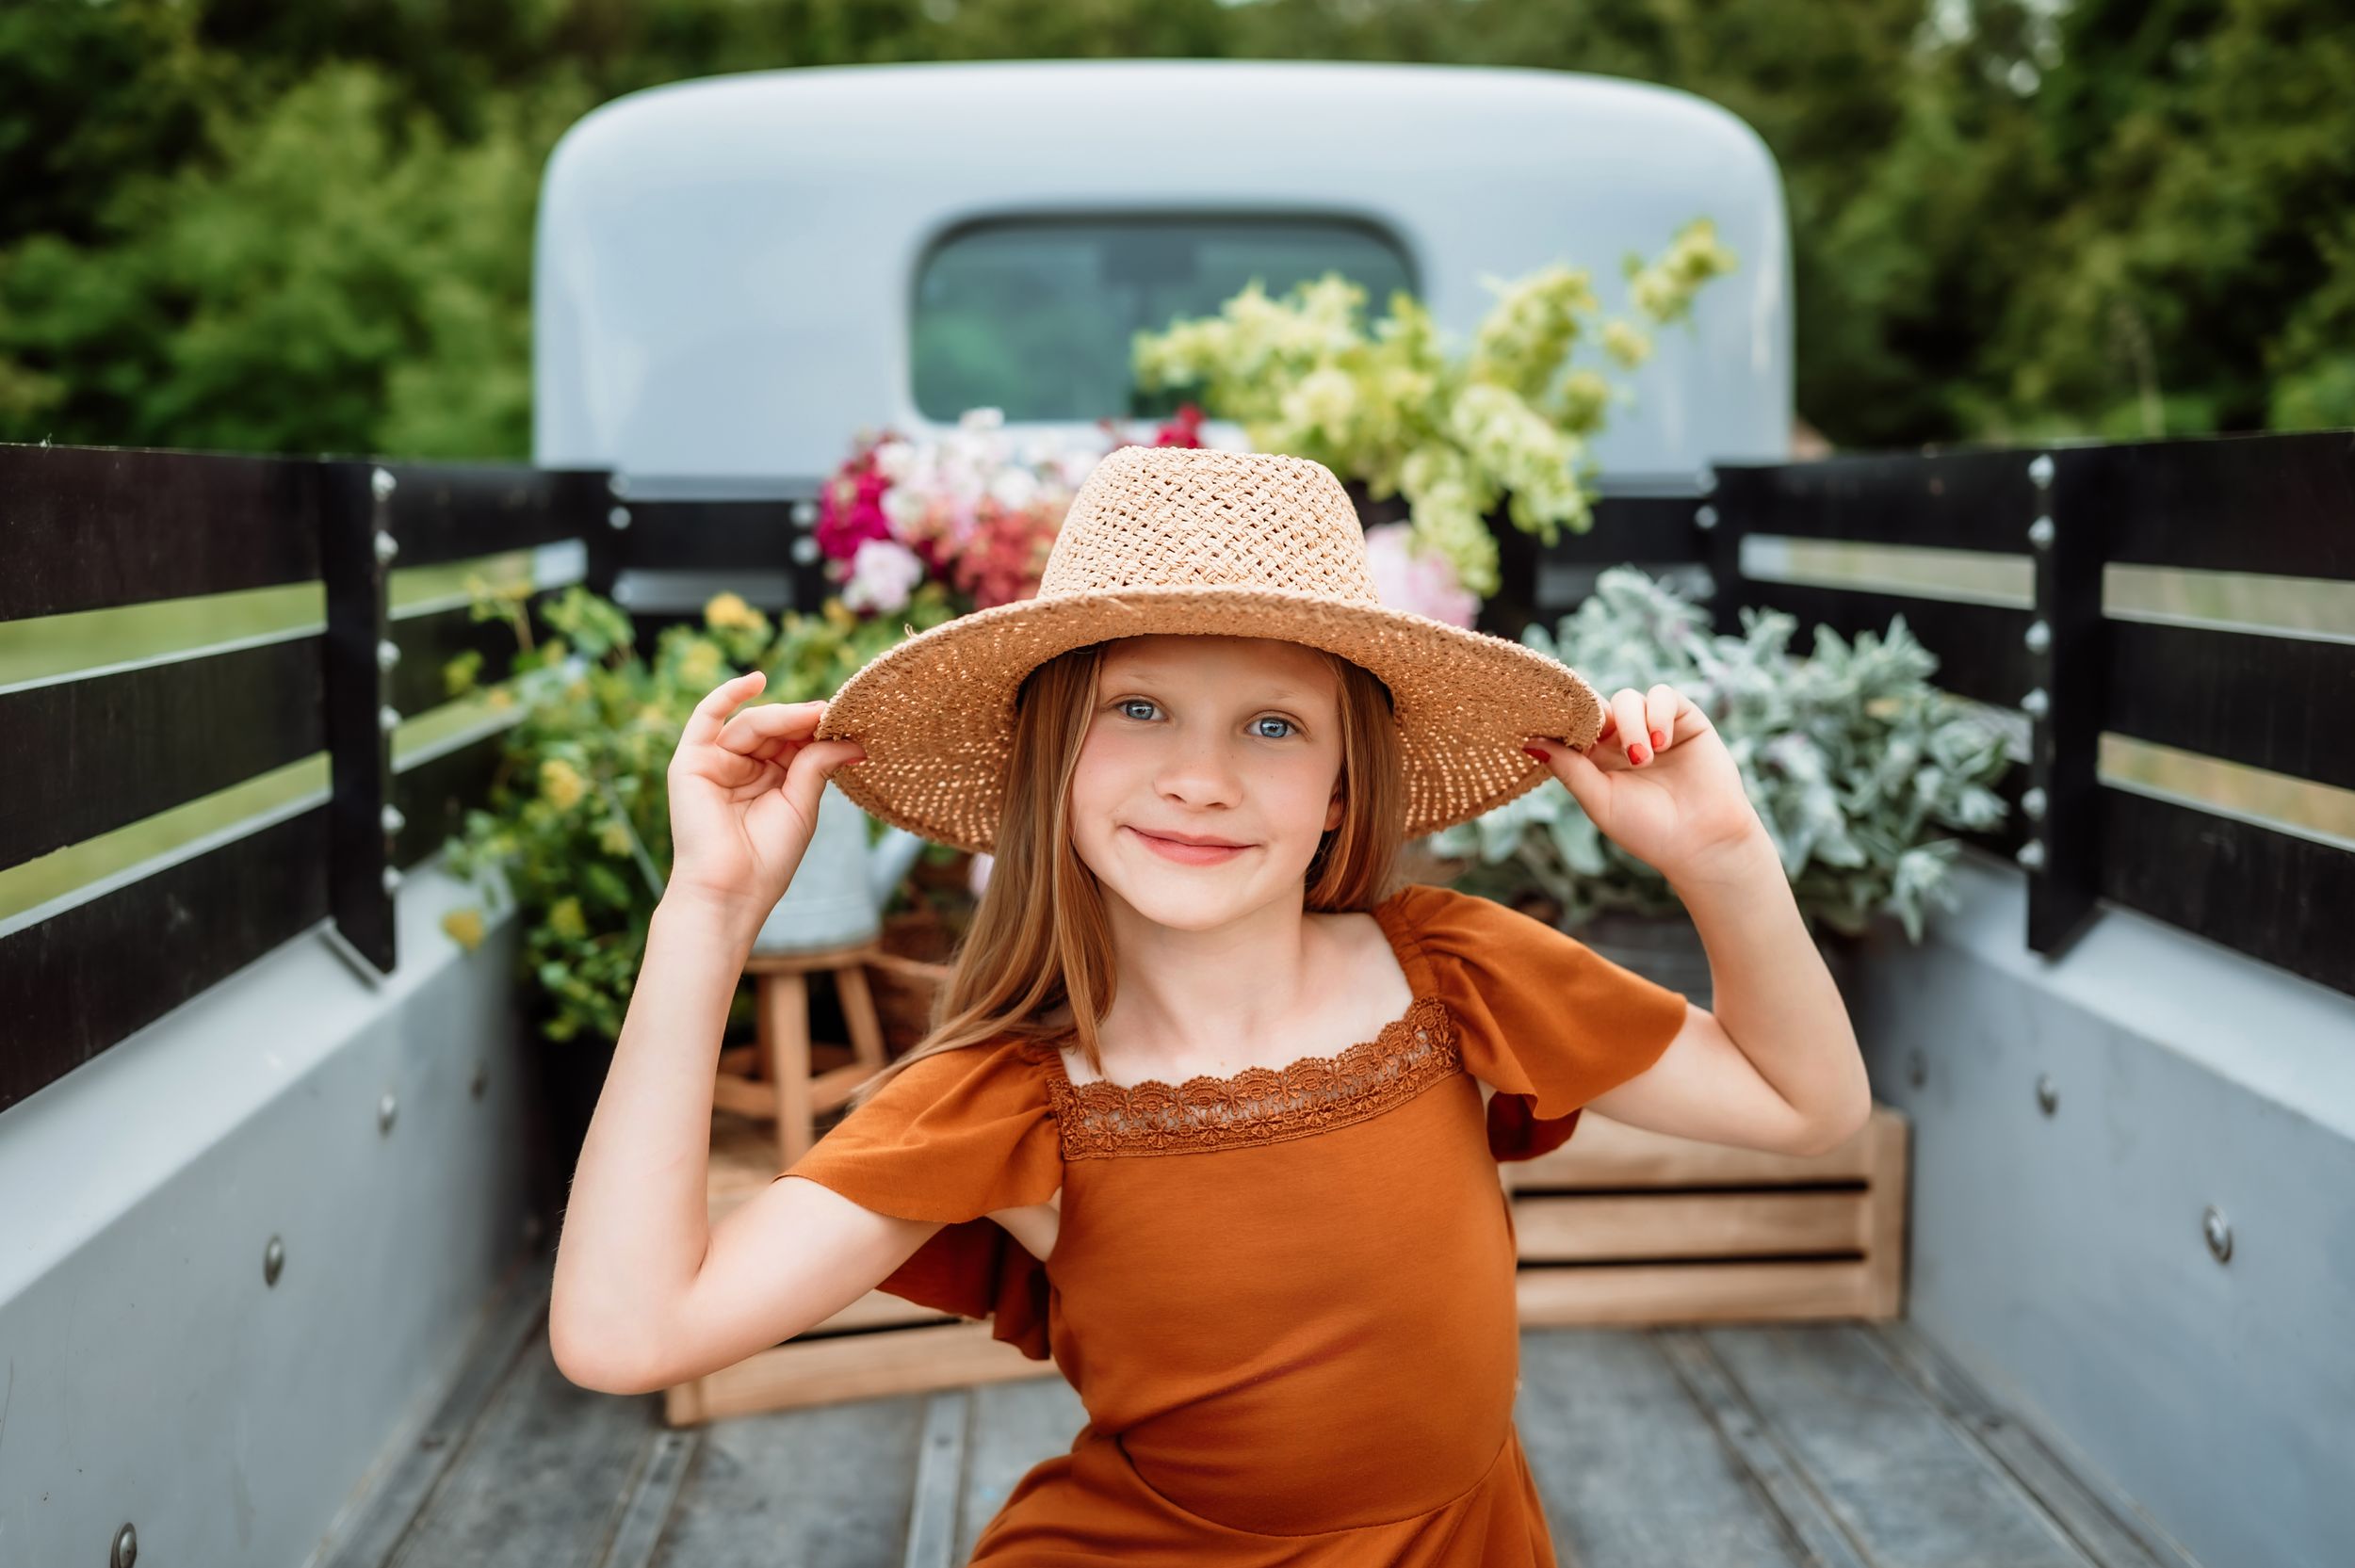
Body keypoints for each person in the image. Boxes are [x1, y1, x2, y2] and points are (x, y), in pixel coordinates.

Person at [549, 445, 1869, 1564]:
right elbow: (624, 1332)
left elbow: (1807, 1104)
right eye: (1140, 706)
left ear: (1348, 784)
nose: (1201, 776)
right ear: (1050, 763)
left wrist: (1722, 859)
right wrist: (708, 914)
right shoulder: (1013, 1102)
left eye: (1274, 726)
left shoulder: (1457, 974)